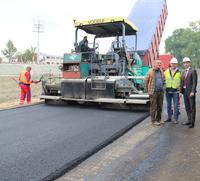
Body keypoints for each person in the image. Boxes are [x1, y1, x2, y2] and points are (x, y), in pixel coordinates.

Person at [145, 59, 165, 126]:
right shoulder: (150, 71)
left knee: (160, 107)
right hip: (153, 92)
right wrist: (147, 90)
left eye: (160, 63)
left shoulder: (161, 71)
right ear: (154, 64)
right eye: (158, 63)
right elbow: (145, 80)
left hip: (160, 92)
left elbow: (163, 80)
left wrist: (163, 88)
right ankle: (153, 121)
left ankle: (158, 119)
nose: (159, 65)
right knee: (153, 107)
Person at [180, 57, 198, 128]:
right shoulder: (183, 72)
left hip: (190, 92)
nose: (185, 64)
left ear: (189, 63)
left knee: (192, 107)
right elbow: (182, 82)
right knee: (187, 107)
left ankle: (192, 123)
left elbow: (194, 82)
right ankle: (189, 120)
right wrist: (181, 91)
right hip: (185, 92)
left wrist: (193, 91)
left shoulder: (193, 71)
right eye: (184, 63)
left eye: (187, 62)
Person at [164, 57, 181, 124]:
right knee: (168, 105)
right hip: (168, 91)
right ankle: (169, 117)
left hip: (175, 92)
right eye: (172, 64)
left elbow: (182, 81)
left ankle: (175, 119)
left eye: (175, 64)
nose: (173, 65)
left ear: (176, 64)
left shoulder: (179, 72)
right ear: (170, 64)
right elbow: (163, 79)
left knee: (175, 105)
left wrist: (180, 87)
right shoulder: (166, 71)